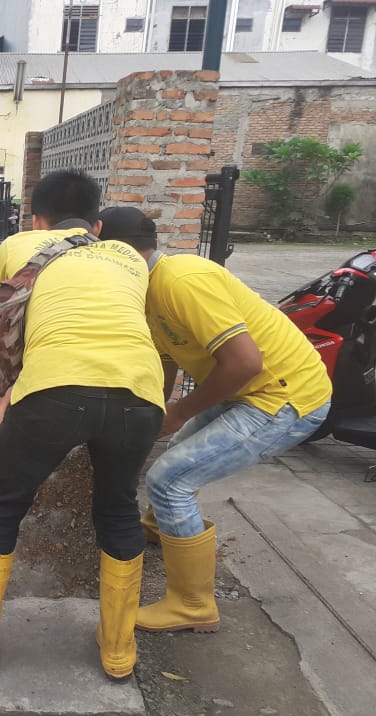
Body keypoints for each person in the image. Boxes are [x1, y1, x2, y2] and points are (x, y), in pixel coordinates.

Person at [0, 169, 165, 681]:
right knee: (119, 509)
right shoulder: (130, 257)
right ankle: (118, 650)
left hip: (54, 389)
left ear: (36, 219)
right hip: (138, 393)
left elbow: (10, 328)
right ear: (98, 223)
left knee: (5, 505)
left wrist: (6, 398)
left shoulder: (22, 245)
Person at [97, 206, 332, 634]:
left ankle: (193, 605)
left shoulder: (182, 280)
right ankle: (164, 529)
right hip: (247, 390)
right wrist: (156, 409)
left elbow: (244, 363)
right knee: (177, 454)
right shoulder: (146, 289)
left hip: (284, 397)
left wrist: (180, 411)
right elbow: (167, 358)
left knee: (170, 480)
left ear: (116, 253)